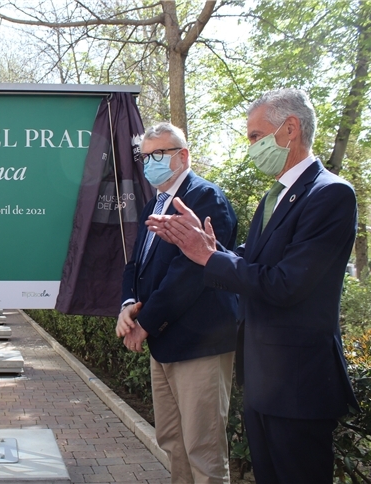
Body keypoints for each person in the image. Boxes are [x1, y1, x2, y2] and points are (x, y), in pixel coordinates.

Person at [147, 88, 359, 483]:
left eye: (255, 136)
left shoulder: (330, 194)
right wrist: (200, 244)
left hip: (299, 384)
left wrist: (208, 256)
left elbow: (285, 284)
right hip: (263, 378)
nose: (252, 147)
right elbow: (248, 262)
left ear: (290, 129)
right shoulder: (274, 195)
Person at [116, 122, 238, 483]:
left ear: (183, 156)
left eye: (158, 155)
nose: (149, 163)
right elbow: (135, 264)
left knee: (203, 449)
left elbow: (190, 273)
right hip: (165, 344)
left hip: (199, 342)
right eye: (145, 157)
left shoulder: (205, 198)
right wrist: (128, 304)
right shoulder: (155, 202)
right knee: (172, 439)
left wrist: (146, 322)